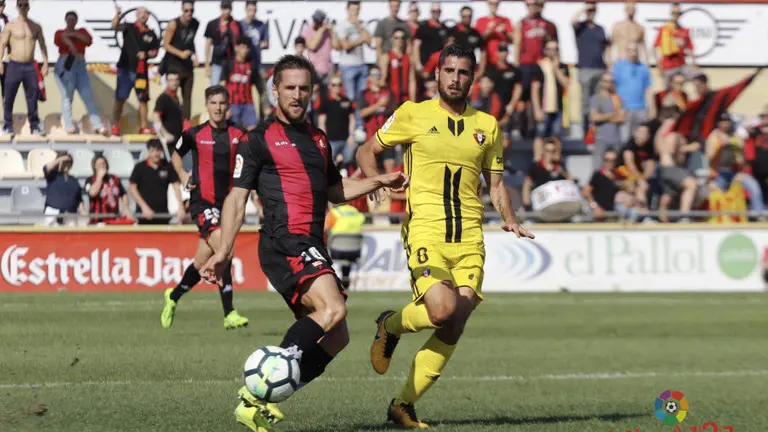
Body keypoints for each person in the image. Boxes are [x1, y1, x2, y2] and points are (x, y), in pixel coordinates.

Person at [198, 54, 407, 431]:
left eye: (304, 88)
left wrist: (379, 180)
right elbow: (236, 197)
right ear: (275, 89)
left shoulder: (318, 140)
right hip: (283, 240)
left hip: (311, 243)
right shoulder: (256, 139)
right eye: (290, 87)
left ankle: (258, 400)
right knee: (332, 310)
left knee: (337, 336)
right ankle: (255, 391)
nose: (297, 95)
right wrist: (224, 250)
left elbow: (335, 189)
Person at [356, 44, 533, 428]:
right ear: (436, 75)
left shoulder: (488, 125)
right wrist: (376, 183)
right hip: (426, 229)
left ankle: (402, 405)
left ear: (473, 77)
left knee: (455, 321)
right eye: (448, 71)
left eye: (463, 72)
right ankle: (390, 325)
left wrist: (511, 218)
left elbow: (497, 185)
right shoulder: (412, 114)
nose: (455, 78)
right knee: (441, 310)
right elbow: (365, 150)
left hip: (470, 235)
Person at [161, 85, 250, 330]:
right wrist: (182, 175)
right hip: (203, 202)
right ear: (207, 105)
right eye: (214, 103)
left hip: (228, 206)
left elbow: (249, 167)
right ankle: (229, 312)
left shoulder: (239, 135)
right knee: (226, 249)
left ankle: (173, 296)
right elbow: (176, 156)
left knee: (201, 262)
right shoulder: (194, 133)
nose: (218, 108)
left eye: (222, 103)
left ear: (228, 106)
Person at [0, 0, 48, 136]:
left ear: (29, 7)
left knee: (32, 97)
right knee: (9, 96)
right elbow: (2, 44)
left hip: (30, 66)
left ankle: (35, 126)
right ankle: (7, 125)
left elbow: (43, 45)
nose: (23, 7)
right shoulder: (10, 26)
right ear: (17, 7)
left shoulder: (35, 26)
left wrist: (45, 63)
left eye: (25, 4)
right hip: (14, 65)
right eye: (20, 4)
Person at [110, 5, 160, 136]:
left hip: (141, 72)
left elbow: (155, 51)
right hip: (125, 69)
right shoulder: (129, 27)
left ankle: (144, 127)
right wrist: (118, 14)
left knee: (143, 99)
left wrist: (147, 54)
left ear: (148, 16)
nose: (143, 16)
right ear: (136, 15)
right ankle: (115, 126)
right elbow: (114, 26)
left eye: (145, 13)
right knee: (120, 98)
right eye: (140, 13)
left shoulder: (151, 33)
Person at [53, 11, 104, 135]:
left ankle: (97, 124)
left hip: (80, 63)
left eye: (73, 20)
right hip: (66, 62)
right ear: (65, 20)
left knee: (88, 95)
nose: (71, 22)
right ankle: (68, 125)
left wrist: (72, 35)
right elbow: (61, 38)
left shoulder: (82, 31)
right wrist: (72, 42)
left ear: (76, 21)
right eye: (69, 19)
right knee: (67, 95)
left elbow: (87, 39)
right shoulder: (59, 32)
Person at [572, 2, 610, 135]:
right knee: (585, 102)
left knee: (599, 101)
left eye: (593, 10)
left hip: (600, 68)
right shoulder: (580, 27)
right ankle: (585, 130)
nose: (591, 13)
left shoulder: (600, 29)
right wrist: (584, 9)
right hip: (585, 69)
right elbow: (573, 20)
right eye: (589, 11)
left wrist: (608, 66)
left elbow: (606, 47)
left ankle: (597, 130)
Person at [655, 105, 698, 222]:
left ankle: (663, 224)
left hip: (664, 167)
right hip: (671, 167)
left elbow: (660, 148)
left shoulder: (662, 129)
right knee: (691, 184)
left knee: (667, 198)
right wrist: (689, 147)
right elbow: (672, 148)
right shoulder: (672, 127)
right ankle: (685, 216)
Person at [129, 139, 185, 225]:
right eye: (153, 151)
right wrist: (144, 207)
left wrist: (181, 207)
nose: (156, 154)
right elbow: (132, 189)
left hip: (163, 215)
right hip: (144, 215)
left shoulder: (167, 166)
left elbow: (176, 186)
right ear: (148, 151)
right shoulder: (139, 167)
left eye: (158, 150)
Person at [531, 38, 569, 161]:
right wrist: (537, 109)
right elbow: (535, 89)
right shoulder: (539, 65)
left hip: (557, 107)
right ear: (545, 50)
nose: (553, 51)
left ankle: (556, 160)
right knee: (540, 135)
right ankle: (538, 160)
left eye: (556, 49)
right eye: (550, 49)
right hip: (544, 107)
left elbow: (566, 83)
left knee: (557, 136)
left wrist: (556, 68)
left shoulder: (563, 66)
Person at [162, 0, 199, 122]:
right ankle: (169, 120)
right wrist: (180, 53)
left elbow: (190, 41)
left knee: (187, 96)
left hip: (187, 65)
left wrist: (195, 57)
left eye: (191, 10)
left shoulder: (195, 23)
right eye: (186, 10)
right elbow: (166, 45)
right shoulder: (174, 24)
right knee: (172, 93)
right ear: (182, 11)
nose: (189, 13)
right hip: (174, 63)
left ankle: (186, 124)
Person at [612, 43, 653, 143]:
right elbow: (613, 89)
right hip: (624, 108)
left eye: (635, 50)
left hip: (641, 108)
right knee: (625, 139)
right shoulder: (618, 67)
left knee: (641, 140)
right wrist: (617, 108)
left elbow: (648, 89)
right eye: (630, 50)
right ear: (626, 52)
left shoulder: (643, 68)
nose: (633, 53)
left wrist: (651, 107)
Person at [358, 65, 394, 172]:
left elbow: (394, 112)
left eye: (378, 75)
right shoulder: (364, 94)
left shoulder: (388, 92)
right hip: (371, 136)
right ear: (369, 78)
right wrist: (378, 105)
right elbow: (362, 113)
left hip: (387, 135)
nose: (376, 77)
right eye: (373, 75)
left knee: (390, 166)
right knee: (373, 169)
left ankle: (390, 189)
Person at [335, 1, 371, 105]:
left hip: (361, 65)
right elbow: (345, 46)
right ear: (347, 10)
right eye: (353, 10)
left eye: (357, 10)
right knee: (350, 98)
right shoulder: (342, 25)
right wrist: (361, 39)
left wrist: (359, 27)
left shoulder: (362, 25)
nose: (355, 12)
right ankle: (350, 120)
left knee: (362, 98)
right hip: (347, 66)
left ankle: (359, 121)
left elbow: (369, 42)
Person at [220, 36, 259, 130]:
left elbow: (257, 84)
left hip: (248, 103)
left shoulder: (252, 65)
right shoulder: (228, 63)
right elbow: (222, 85)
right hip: (232, 104)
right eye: (242, 47)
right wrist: (225, 106)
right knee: (233, 132)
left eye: (247, 47)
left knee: (252, 130)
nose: (244, 50)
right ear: (236, 47)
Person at [325, 203, 366, 289]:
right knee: (347, 256)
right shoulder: (355, 211)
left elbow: (325, 228)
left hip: (337, 251)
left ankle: (328, 283)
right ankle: (346, 280)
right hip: (355, 251)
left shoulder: (335, 212)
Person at [318, 75, 357, 163]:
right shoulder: (325, 102)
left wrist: (351, 135)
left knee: (348, 163)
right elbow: (321, 122)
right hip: (331, 140)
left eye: (339, 84)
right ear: (329, 86)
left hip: (346, 140)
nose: (337, 87)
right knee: (331, 165)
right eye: (334, 85)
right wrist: (324, 139)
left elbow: (352, 120)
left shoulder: (347, 101)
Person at [653, 3, 695, 82]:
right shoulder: (665, 29)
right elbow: (656, 47)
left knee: (696, 78)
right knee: (668, 91)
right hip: (668, 67)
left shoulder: (684, 31)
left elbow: (690, 48)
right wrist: (659, 66)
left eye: (678, 13)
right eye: (674, 13)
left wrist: (693, 64)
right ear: (671, 14)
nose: (676, 15)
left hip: (681, 66)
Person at [522, 138, 568, 211]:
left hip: (558, 204)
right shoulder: (536, 167)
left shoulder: (559, 167)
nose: (550, 153)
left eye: (553, 151)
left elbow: (569, 183)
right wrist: (527, 203)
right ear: (543, 151)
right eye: (547, 151)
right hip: (541, 203)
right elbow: (527, 185)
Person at [589, 72, 624, 169]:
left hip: (616, 139)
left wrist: (603, 116)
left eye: (611, 81)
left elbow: (621, 118)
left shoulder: (617, 99)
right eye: (606, 81)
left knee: (617, 167)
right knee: (598, 167)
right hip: (601, 138)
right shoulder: (596, 98)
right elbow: (594, 117)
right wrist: (612, 115)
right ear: (601, 83)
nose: (608, 84)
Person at [241, 0, 269, 117]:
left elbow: (266, 43)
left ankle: (263, 121)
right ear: (246, 10)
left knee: (264, 93)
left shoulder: (261, 25)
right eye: (250, 10)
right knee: (243, 94)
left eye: (254, 10)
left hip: (257, 65)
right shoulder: (240, 25)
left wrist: (262, 44)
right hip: (244, 65)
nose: (252, 13)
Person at [204, 0, 242, 86]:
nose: (227, 11)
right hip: (217, 61)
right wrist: (207, 65)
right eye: (225, 8)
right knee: (214, 87)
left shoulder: (236, 25)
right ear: (221, 8)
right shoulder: (212, 24)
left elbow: (240, 45)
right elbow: (208, 45)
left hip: (232, 62)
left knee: (231, 88)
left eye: (229, 8)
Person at [85, 155, 130, 225]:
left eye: (104, 163)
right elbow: (92, 193)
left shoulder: (115, 178)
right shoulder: (90, 180)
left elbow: (124, 193)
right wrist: (99, 177)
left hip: (113, 219)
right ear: (94, 166)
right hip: (97, 220)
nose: (102, 166)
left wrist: (126, 207)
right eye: (99, 164)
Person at [42, 152, 83, 227]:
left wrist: (83, 210)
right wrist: (60, 159)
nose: (66, 164)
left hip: (70, 215)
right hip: (53, 213)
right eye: (64, 162)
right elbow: (46, 168)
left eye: (68, 162)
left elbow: (79, 198)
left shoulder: (74, 180)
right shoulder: (52, 175)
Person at [379, 28, 416, 106]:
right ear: (392, 39)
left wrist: (413, 101)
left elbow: (412, 80)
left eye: (402, 38)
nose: (399, 40)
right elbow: (383, 79)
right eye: (396, 38)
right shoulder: (387, 56)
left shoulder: (409, 58)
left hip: (405, 98)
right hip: (391, 98)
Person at [301, 9, 335, 87]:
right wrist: (321, 30)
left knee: (327, 97)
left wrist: (332, 31)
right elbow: (312, 46)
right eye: (315, 20)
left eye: (319, 21)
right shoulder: (307, 31)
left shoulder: (328, 31)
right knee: (313, 97)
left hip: (328, 69)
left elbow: (335, 46)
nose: (316, 22)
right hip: (314, 70)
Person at [153, 72, 184, 152]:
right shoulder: (163, 98)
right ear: (166, 82)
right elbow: (156, 118)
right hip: (168, 143)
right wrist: (165, 134)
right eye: (171, 80)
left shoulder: (176, 98)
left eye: (176, 80)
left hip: (176, 141)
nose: (174, 82)